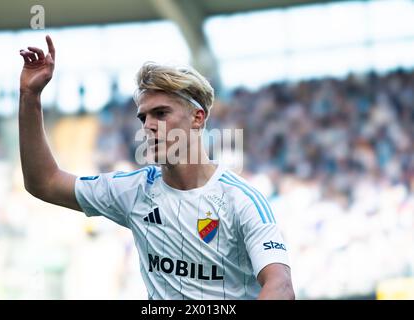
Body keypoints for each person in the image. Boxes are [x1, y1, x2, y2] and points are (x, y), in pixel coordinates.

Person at [18, 35, 295, 300]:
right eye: (143, 117)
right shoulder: (134, 190)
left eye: (161, 113)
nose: (148, 125)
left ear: (197, 118)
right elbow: (44, 182)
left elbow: (280, 286)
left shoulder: (242, 200)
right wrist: (30, 96)